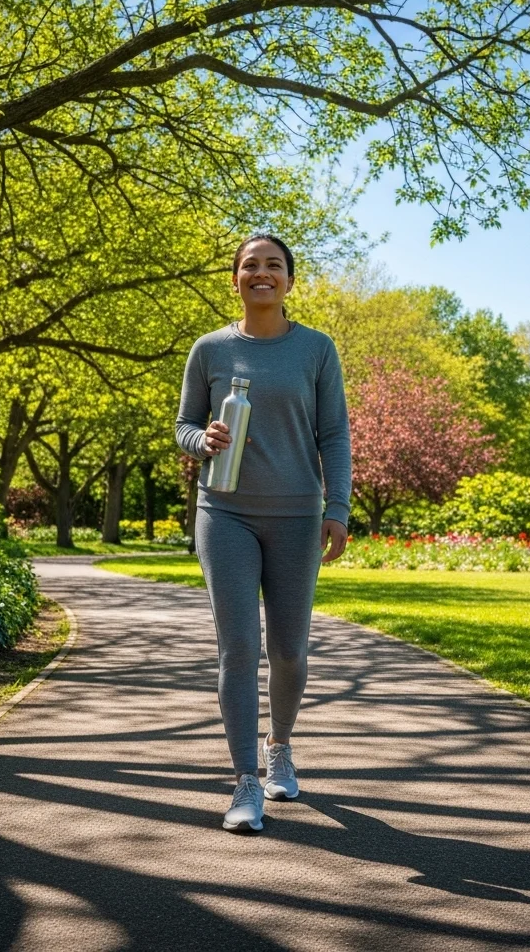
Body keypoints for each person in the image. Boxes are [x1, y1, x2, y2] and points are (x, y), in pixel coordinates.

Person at [175, 234, 352, 832]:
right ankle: (245, 780)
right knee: (239, 648)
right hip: (223, 512)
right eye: (250, 265)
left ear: (289, 281)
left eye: (273, 265)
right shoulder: (209, 349)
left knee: (289, 652)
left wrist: (338, 506)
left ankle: (280, 746)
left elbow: (334, 434)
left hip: (297, 515)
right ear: (235, 280)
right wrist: (201, 440)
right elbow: (184, 424)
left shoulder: (316, 349)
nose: (261, 273)